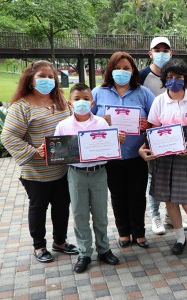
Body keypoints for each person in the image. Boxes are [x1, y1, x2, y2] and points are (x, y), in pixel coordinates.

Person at [1, 60, 78, 263]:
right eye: (41, 76)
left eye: (50, 76)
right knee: (39, 207)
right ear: (30, 80)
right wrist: (35, 152)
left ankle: (60, 242)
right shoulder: (21, 107)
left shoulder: (60, 100)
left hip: (62, 167)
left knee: (62, 206)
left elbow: (72, 125)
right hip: (36, 172)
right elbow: (8, 137)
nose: (47, 80)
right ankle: (39, 246)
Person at [139, 59, 187, 255]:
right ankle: (179, 238)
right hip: (165, 159)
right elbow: (152, 130)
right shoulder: (159, 101)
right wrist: (144, 149)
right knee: (170, 201)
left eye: (178, 77)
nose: (174, 81)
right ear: (164, 79)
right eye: (170, 77)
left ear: (185, 79)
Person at [52, 83, 123, 273]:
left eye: (85, 99)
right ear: (70, 102)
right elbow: (58, 151)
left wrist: (116, 140)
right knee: (80, 214)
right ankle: (84, 253)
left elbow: (109, 147)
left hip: (99, 172)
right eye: (77, 99)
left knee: (100, 214)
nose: (81, 102)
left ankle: (104, 249)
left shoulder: (101, 123)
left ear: (92, 102)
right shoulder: (63, 126)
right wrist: (50, 151)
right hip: (76, 174)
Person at [92, 51, 154, 249]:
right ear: (110, 70)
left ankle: (139, 232)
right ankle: (124, 232)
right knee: (117, 194)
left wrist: (147, 125)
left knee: (137, 194)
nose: (121, 72)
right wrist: (101, 122)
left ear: (133, 70)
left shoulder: (143, 93)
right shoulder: (97, 93)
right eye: (117, 68)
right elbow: (85, 122)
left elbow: (157, 119)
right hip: (110, 156)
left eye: (126, 68)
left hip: (137, 154)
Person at [139, 36, 187, 234]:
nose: (161, 53)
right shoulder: (142, 75)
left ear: (171, 52)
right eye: (157, 49)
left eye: (165, 49)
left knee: (173, 178)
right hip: (153, 134)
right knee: (154, 177)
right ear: (150, 53)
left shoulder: (177, 75)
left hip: (176, 138)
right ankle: (156, 217)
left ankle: (171, 217)